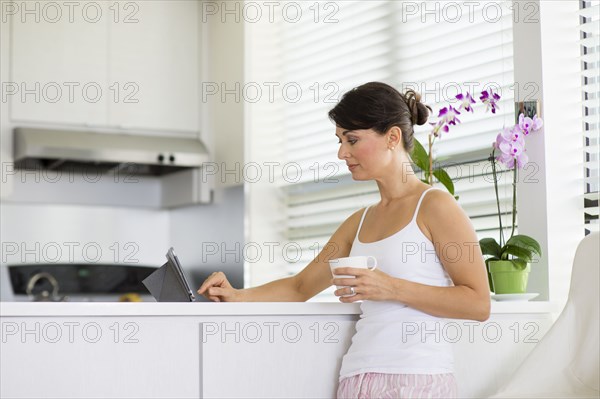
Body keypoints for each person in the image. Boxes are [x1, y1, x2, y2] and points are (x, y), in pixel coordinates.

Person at [198, 81, 491, 398]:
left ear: (392, 137)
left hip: (416, 380)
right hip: (356, 380)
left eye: (352, 140)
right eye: (340, 140)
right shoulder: (360, 221)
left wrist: (389, 286)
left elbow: (478, 303)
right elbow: (300, 287)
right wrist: (236, 296)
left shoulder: (435, 206)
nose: (341, 153)